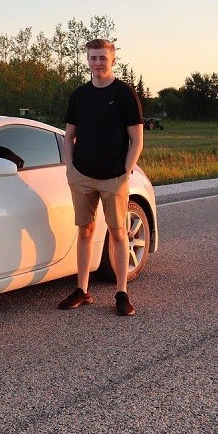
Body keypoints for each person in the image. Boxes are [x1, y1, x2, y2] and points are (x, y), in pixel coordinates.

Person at [59, 39, 144, 316]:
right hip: (81, 175)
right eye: (93, 58)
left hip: (113, 178)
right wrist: (70, 168)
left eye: (102, 59)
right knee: (85, 231)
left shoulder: (124, 94)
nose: (97, 63)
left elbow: (137, 141)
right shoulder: (79, 95)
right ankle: (82, 290)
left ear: (113, 60)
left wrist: (126, 171)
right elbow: (69, 136)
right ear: (87, 60)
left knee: (118, 233)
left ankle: (122, 293)